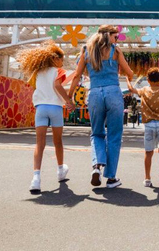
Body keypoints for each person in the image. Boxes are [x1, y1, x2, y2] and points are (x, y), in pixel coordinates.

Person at [68, 25, 134, 189]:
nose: (116, 39)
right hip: (113, 92)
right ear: (109, 36)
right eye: (116, 36)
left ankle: (96, 166)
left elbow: (77, 75)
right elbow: (129, 73)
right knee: (114, 135)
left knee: (97, 133)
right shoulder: (115, 51)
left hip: (95, 93)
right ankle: (111, 178)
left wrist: (69, 96)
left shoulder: (86, 50)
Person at [16, 41, 76, 195]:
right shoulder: (58, 71)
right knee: (58, 142)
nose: (62, 63)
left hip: (41, 108)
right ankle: (60, 170)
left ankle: (36, 178)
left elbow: (36, 87)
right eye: (61, 60)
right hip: (55, 108)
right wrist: (68, 101)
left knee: (39, 144)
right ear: (56, 59)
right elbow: (57, 86)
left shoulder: (37, 72)